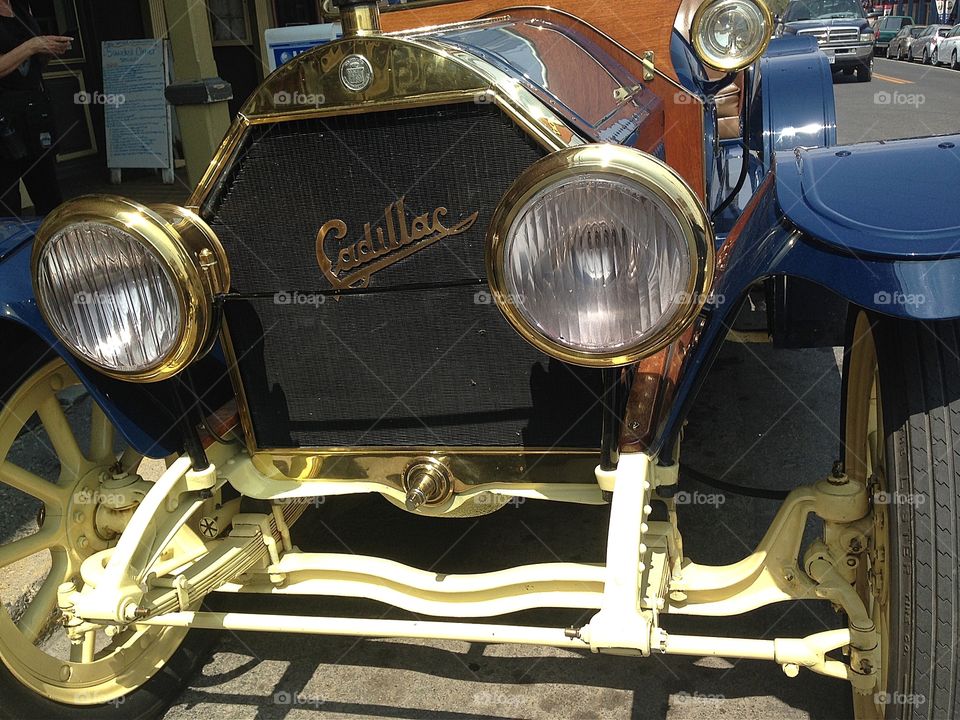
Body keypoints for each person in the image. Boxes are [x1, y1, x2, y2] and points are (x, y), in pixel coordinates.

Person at [0, 0, 70, 217]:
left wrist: (47, 51)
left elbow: (31, 68)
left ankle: (51, 248)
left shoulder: (22, 7)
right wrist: (32, 45)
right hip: (3, 120)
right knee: (7, 202)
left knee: (49, 196)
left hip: (32, 113)